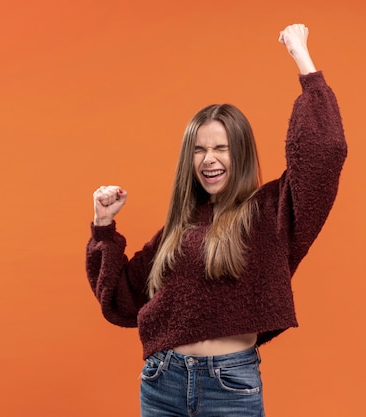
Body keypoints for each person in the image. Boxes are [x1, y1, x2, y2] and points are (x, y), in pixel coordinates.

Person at [85, 24, 347, 417]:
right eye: (200, 149)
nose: (209, 159)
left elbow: (324, 151)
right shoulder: (179, 228)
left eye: (221, 148)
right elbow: (120, 300)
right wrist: (103, 227)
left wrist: (304, 62)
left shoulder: (272, 211)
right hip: (161, 381)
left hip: (230, 385)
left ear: (239, 153)